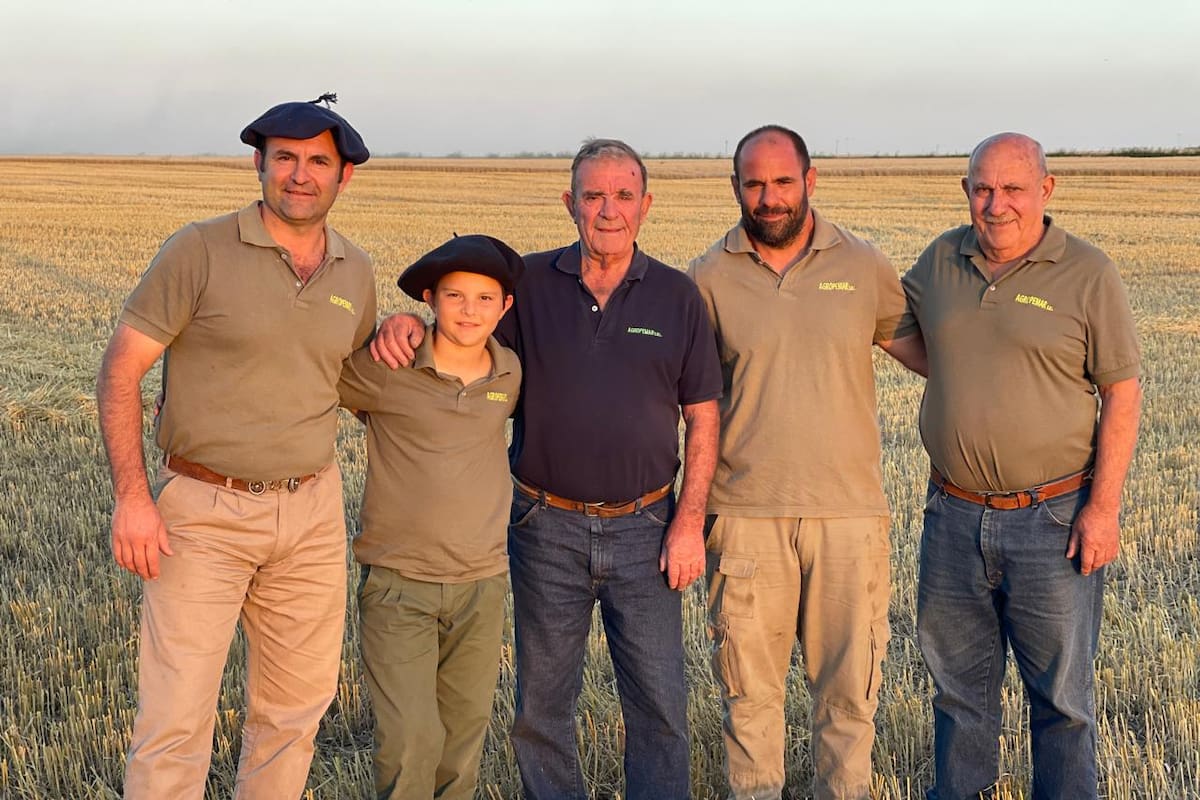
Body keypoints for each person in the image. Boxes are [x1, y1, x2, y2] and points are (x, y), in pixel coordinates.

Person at [371, 139, 723, 800]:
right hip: (543, 526)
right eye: (593, 195)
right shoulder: (527, 287)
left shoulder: (677, 297)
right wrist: (406, 323)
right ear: (570, 203)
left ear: (646, 205)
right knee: (542, 709)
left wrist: (689, 521)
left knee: (660, 708)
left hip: (648, 527)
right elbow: (460, 337)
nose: (608, 211)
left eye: (623, 196)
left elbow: (703, 416)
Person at [96, 96, 374, 799]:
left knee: (292, 716)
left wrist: (405, 339)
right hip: (203, 512)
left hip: (311, 514)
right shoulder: (200, 249)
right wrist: (133, 497)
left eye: (318, 161)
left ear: (345, 177)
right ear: (259, 164)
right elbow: (121, 371)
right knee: (174, 721)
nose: (299, 174)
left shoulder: (355, 272)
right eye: (284, 157)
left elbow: (352, 378)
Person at [687, 124, 926, 800]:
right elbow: (683, 395)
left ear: (810, 180)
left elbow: (931, 353)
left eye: (782, 181)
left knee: (849, 707)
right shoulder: (707, 277)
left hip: (850, 519)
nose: (769, 198)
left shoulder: (862, 265)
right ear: (736, 187)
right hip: (744, 521)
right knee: (749, 703)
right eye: (754, 184)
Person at [902, 132, 1141, 800]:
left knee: (1061, 703)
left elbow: (1122, 391)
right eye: (982, 188)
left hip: (1054, 520)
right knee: (957, 695)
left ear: (1046, 189)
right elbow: (894, 326)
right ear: (965, 191)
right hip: (951, 516)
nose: (996, 203)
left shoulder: (1087, 273)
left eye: (1012, 188)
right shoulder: (941, 259)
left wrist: (1103, 509)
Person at [337, 235, 523, 799]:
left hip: (481, 585)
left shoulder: (509, 374)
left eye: (485, 298)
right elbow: (305, 377)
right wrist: (388, 325)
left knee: (462, 742)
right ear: (429, 298)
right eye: (455, 296)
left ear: (505, 306)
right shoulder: (386, 368)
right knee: (410, 740)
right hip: (400, 586)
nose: (470, 311)